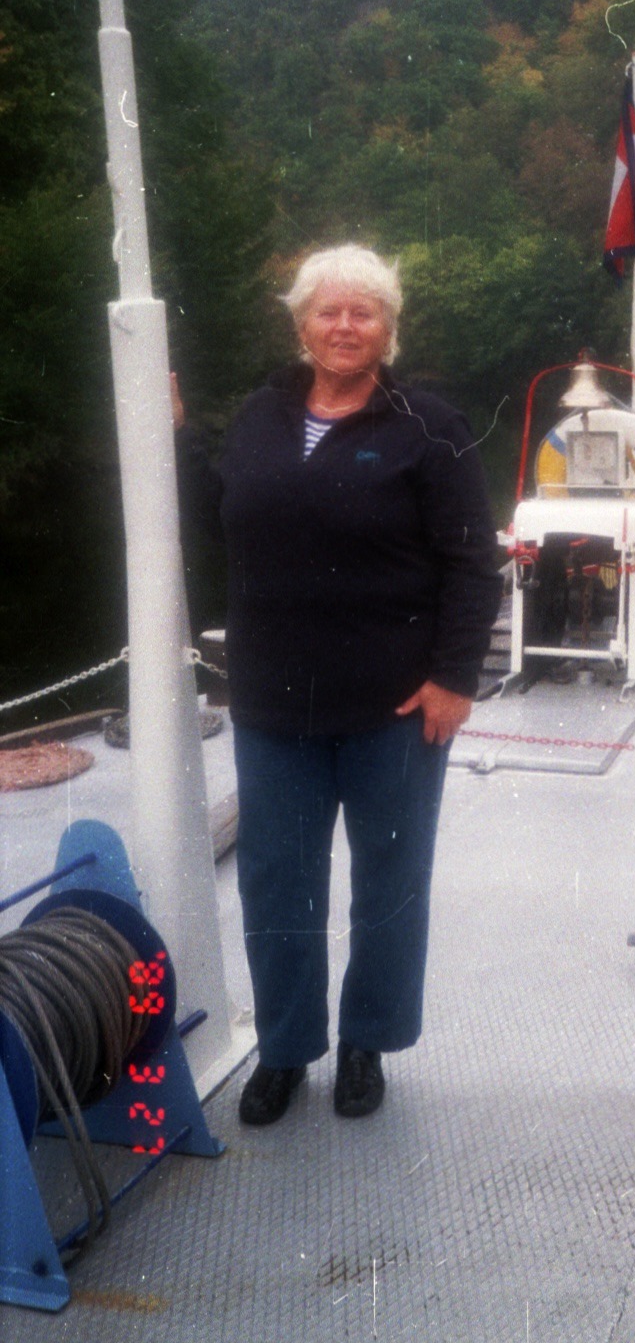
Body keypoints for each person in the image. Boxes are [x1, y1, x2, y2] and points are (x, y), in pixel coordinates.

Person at [174, 245, 502, 1126]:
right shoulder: (257, 416)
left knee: (389, 878)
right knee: (276, 882)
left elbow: (475, 564)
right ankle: (284, 1050)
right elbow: (217, 517)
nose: (345, 327)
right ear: (300, 323)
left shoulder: (427, 425)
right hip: (274, 703)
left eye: (364, 313)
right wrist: (169, 437)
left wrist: (452, 680)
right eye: (329, 311)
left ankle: (366, 1042)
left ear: (388, 329)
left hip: (393, 707)